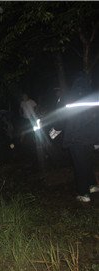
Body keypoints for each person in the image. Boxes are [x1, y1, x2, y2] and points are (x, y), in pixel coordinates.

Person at [52, 73, 99, 202]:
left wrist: (54, 131)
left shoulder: (68, 98)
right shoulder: (94, 97)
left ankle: (84, 194)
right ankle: (92, 185)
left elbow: (61, 117)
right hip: (90, 137)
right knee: (87, 160)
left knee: (79, 164)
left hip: (75, 137)